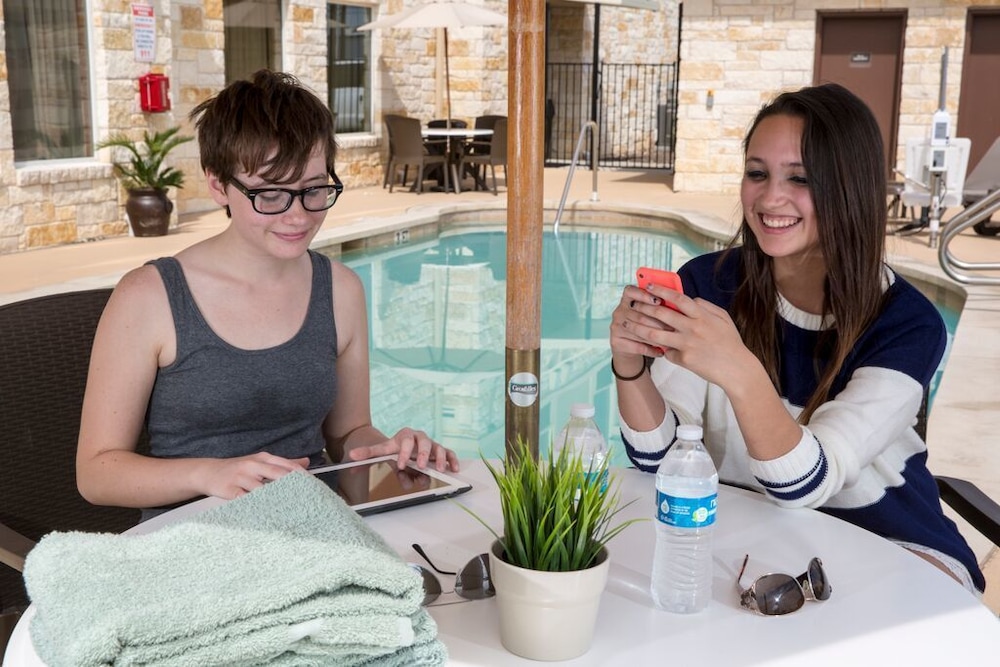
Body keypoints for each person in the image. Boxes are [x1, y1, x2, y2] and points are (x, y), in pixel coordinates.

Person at [610, 83, 985, 593]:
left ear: (849, 187)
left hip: (892, 546)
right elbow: (660, 459)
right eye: (757, 173)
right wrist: (629, 363)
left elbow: (806, 480)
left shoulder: (906, 323)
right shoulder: (709, 283)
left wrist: (738, 369)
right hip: (753, 544)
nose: (770, 199)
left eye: (800, 178)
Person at [77, 70, 458, 511]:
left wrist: (389, 451)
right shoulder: (149, 297)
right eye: (271, 194)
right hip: (190, 534)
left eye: (313, 189)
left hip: (313, 524)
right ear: (218, 184)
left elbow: (348, 434)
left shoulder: (341, 290)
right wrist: (210, 474)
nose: (298, 216)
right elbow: (97, 473)